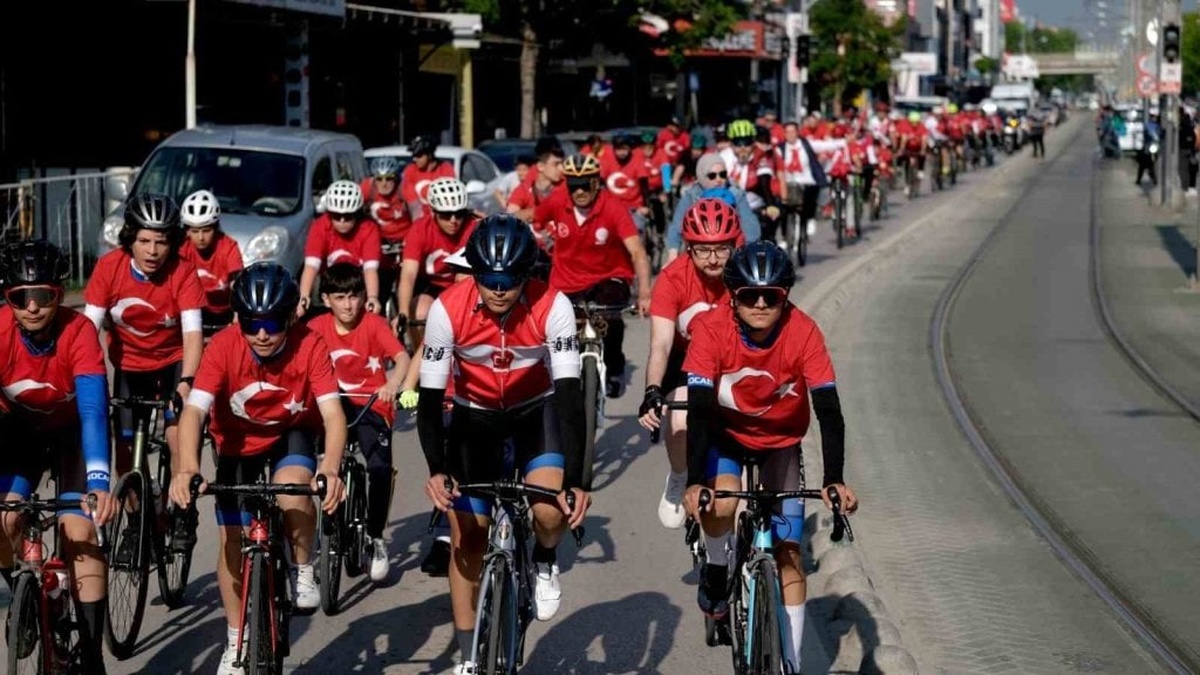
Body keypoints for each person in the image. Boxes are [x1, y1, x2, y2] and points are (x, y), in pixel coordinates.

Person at [417, 215, 590, 675]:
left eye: (510, 280)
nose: (499, 290)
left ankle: (545, 556)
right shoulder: (445, 309)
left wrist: (577, 480)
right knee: (467, 536)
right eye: (489, 280)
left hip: (537, 413)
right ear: (474, 272)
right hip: (473, 419)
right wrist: (437, 468)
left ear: (527, 274)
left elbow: (572, 398)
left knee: (550, 511)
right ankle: (469, 654)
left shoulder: (554, 306)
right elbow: (431, 399)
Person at [681, 241, 859, 674]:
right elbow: (700, 408)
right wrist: (693, 481)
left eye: (772, 296)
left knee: (789, 552)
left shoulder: (804, 331)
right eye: (749, 296)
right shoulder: (711, 328)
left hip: (781, 441)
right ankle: (719, 570)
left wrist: (834, 478)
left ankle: (791, 665)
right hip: (727, 437)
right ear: (732, 295)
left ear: (785, 296)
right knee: (720, 507)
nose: (760, 304)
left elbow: (829, 410)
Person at [168, 262, 347, 675]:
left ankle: (303, 566)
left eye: (270, 323)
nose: (261, 334)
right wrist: (187, 469)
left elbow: (334, 415)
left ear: (289, 317)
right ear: (238, 319)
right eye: (251, 323)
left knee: (292, 488)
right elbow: (193, 413)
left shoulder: (311, 344)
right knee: (233, 538)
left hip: (291, 433)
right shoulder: (224, 347)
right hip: (236, 442)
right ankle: (235, 640)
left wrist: (332, 469)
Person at [0, 240, 116, 675]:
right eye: (20, 298)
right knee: (5, 518)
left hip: (72, 433)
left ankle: (90, 652)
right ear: (7, 299)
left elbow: (91, 410)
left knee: (79, 528)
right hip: (20, 433)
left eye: (44, 296)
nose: (32, 307)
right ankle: (26, 598)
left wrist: (100, 483)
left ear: (61, 294)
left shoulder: (79, 330)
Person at [83, 193, 205, 487]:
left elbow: (192, 334)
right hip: (129, 366)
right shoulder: (109, 267)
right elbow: (87, 331)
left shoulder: (183, 270)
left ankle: (180, 511)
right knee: (124, 453)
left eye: (161, 243)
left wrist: (187, 382)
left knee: (178, 435)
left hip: (173, 362)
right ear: (130, 239)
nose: (153, 252)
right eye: (144, 241)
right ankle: (134, 522)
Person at [638, 199, 742, 530]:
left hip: (733, 357)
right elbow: (661, 344)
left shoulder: (742, 274)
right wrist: (653, 389)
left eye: (721, 249)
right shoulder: (672, 279)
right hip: (685, 359)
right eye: (702, 250)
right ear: (688, 248)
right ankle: (680, 475)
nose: (713, 259)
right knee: (680, 420)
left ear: (734, 245)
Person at [308, 263, 408, 582]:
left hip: (371, 405)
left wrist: (393, 383)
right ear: (326, 299)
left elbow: (403, 358)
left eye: (354, 296)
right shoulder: (317, 328)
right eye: (340, 297)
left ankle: (376, 537)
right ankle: (324, 533)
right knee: (318, 465)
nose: (349, 304)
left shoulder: (374, 324)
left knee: (379, 469)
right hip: (332, 405)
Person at [535, 154, 653, 398]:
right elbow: (533, 217)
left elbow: (638, 253)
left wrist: (644, 293)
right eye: (573, 185)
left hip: (609, 278)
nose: (579, 192)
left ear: (596, 183)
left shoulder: (613, 206)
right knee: (556, 330)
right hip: (566, 282)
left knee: (610, 317)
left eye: (585, 185)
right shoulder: (557, 200)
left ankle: (614, 367)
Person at [395, 177, 481, 347]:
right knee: (419, 313)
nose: (453, 220)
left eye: (459, 213)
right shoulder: (420, 228)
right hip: (431, 283)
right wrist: (403, 313)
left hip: (464, 286)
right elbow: (409, 273)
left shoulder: (475, 227)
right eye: (446, 214)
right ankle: (423, 358)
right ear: (433, 212)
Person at [298, 180, 383, 316]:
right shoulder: (320, 226)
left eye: (348, 217)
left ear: (357, 214)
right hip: (330, 281)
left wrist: (372, 297)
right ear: (329, 214)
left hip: (358, 282)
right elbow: (311, 266)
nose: (342, 221)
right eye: (337, 216)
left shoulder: (369, 228)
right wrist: (303, 296)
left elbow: (370, 269)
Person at [666, 153, 761, 261]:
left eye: (722, 174)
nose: (718, 179)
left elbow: (751, 229)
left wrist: (744, 256)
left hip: (731, 251)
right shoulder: (691, 195)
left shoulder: (736, 194)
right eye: (712, 176)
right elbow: (676, 226)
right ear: (701, 176)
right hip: (701, 251)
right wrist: (672, 256)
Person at [179, 189, 244, 336]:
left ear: (215, 228)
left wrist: (238, 314)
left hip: (226, 311)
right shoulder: (183, 248)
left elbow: (237, 283)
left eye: (206, 230)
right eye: (195, 231)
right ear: (187, 231)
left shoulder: (228, 246)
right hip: (195, 310)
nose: (201, 237)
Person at [401, 135, 456, 220]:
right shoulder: (410, 171)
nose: (414, 159)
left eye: (419, 155)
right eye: (413, 155)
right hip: (419, 220)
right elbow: (412, 203)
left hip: (442, 219)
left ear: (430, 155)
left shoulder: (445, 169)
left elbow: (449, 199)